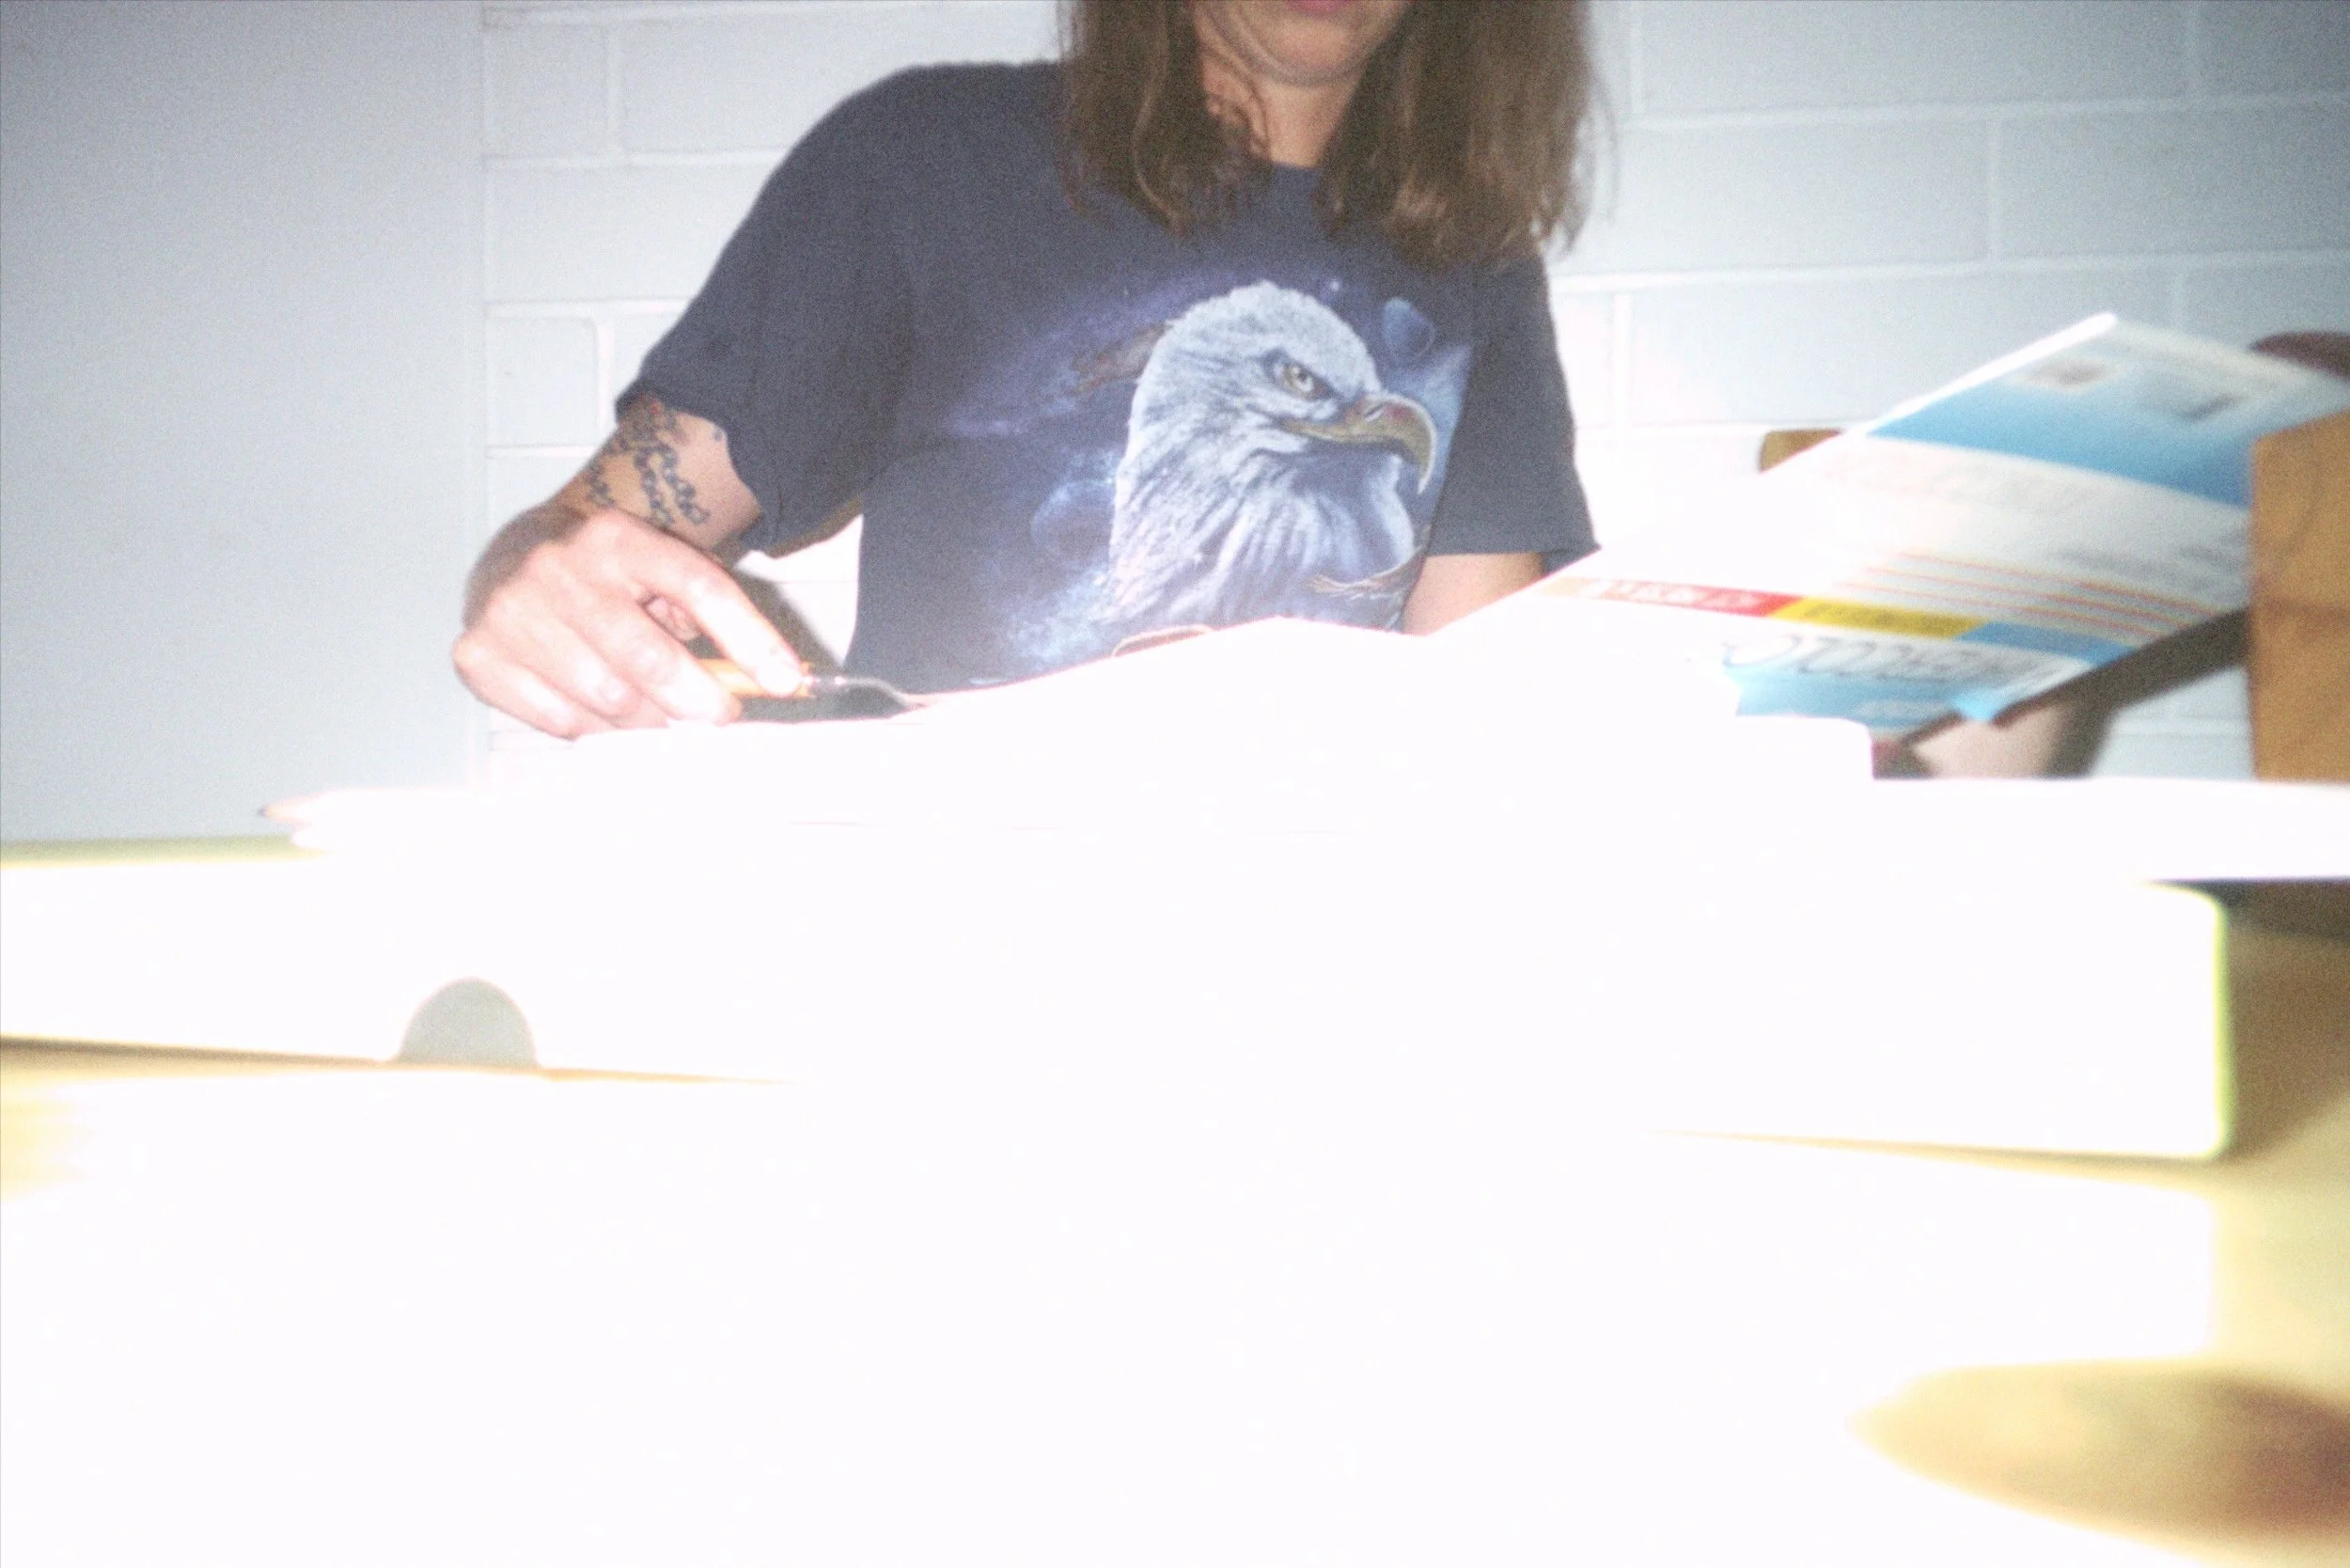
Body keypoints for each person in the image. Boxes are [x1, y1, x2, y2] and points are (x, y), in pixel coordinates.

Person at [454, 0, 1597, 737]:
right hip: (936, 951)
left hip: (1298, 965)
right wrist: (533, 584)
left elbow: (1478, 718)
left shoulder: (1472, 259)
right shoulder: (921, 163)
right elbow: (582, 538)